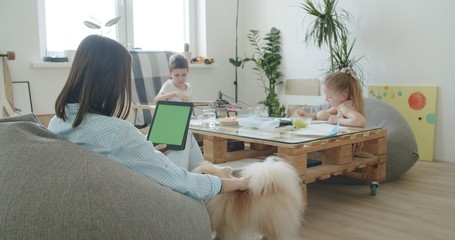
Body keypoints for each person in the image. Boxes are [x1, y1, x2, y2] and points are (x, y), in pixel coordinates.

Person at [47, 35, 248, 201]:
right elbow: (180, 181)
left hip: (113, 182)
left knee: (179, 137)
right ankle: (213, 192)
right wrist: (238, 184)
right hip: (156, 198)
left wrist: (145, 148)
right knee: (183, 138)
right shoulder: (117, 131)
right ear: (110, 82)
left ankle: (212, 177)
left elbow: (112, 152)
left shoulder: (56, 122)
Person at [296, 68, 367, 128]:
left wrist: (337, 120)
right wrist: (307, 116)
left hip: (348, 142)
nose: (326, 99)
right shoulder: (339, 107)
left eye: (329, 97)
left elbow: (360, 121)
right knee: (322, 114)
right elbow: (321, 114)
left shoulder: (345, 107)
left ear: (343, 96)